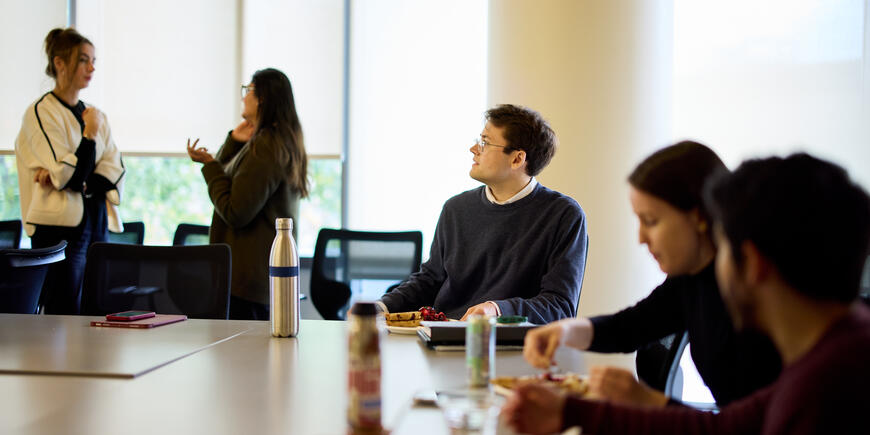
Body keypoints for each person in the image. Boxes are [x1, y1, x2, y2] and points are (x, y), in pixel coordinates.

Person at [504, 153, 870, 435]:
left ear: (753, 262)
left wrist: (639, 405)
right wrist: (574, 412)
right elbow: (731, 428)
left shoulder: (825, 384)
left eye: (722, 244)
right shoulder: (831, 353)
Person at [522, 142, 781, 407]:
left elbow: (753, 422)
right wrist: (565, 330)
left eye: (651, 221)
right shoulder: (690, 278)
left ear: (699, 216)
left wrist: (650, 402)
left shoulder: (753, 296)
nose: (641, 238)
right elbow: (631, 326)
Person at [378, 104, 588, 324]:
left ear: (517, 159)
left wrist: (496, 310)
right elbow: (430, 281)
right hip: (444, 337)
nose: (473, 149)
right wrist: (381, 306)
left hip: (516, 347)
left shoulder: (564, 215)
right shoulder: (456, 208)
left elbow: (560, 306)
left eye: (485, 143)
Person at [15, 27, 125, 314]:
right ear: (60, 63)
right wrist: (88, 137)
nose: (91, 68)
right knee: (63, 312)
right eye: (83, 60)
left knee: (97, 310)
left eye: (94, 61)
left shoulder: (96, 114)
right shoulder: (41, 112)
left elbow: (114, 168)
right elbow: (65, 175)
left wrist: (83, 183)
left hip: (96, 222)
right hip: (60, 230)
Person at [187, 68, 308, 320]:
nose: (243, 97)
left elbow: (235, 211)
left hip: (248, 284)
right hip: (251, 281)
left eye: (248, 90)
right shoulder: (269, 140)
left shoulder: (267, 145)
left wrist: (210, 165)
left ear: (262, 97)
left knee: (242, 359)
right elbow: (229, 180)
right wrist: (234, 141)